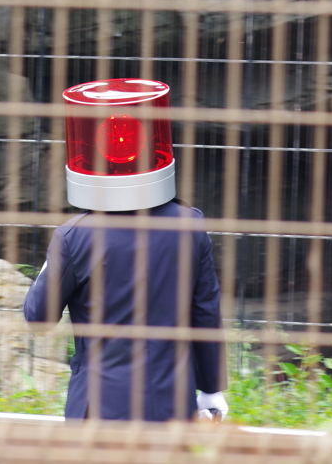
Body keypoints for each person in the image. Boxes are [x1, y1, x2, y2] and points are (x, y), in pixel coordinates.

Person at [23, 78, 227, 421]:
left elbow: (38, 319)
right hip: (171, 408)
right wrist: (211, 389)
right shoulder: (188, 224)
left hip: (98, 414)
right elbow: (204, 312)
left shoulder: (74, 237)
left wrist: (54, 257)